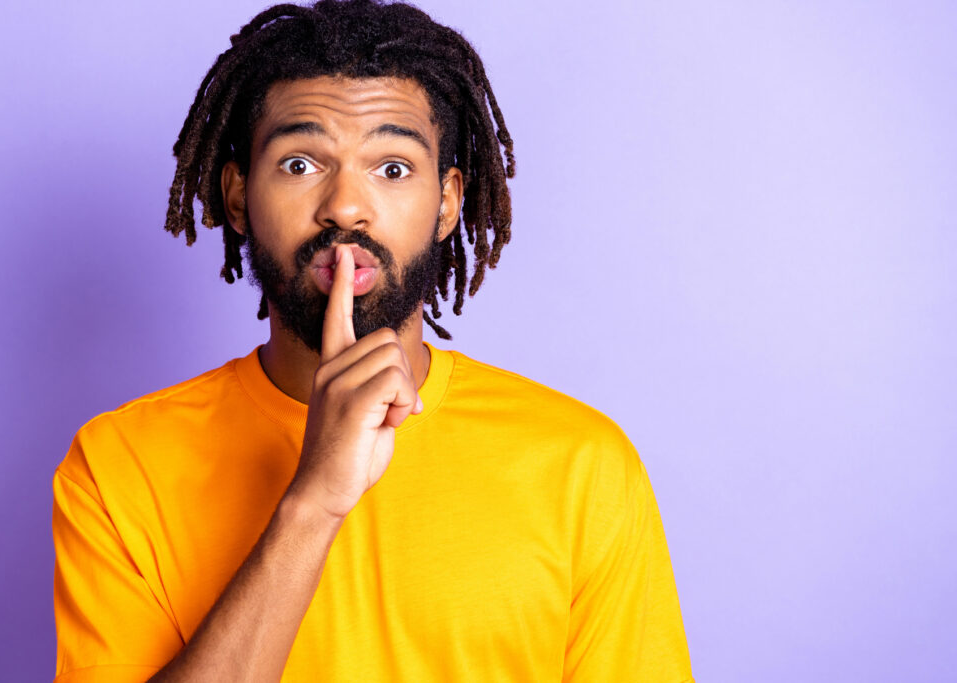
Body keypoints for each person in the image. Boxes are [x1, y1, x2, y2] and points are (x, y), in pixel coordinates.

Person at [51, 1, 695, 681]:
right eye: (300, 164)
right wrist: (314, 499)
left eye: (392, 168)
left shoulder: (581, 467)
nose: (346, 206)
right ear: (238, 196)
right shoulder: (118, 466)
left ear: (447, 202)